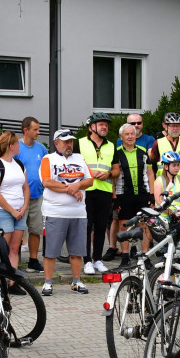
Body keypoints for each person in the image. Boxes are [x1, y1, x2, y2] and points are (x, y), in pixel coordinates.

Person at [39, 129, 93, 295]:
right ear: (56, 143)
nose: (69, 144)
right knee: (51, 251)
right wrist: (71, 189)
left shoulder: (79, 158)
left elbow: (89, 180)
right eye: (66, 141)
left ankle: (76, 281)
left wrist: (77, 186)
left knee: (77, 250)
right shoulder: (48, 159)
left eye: (71, 141)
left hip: (78, 212)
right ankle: (48, 282)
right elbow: (47, 182)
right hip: (54, 212)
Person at [79, 112, 118, 274]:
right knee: (86, 227)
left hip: (104, 191)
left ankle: (98, 260)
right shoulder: (80, 144)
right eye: (101, 124)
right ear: (91, 127)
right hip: (86, 191)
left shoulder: (111, 145)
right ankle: (86, 260)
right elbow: (72, 166)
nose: (104, 127)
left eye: (106, 125)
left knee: (101, 227)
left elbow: (116, 170)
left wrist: (108, 174)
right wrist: (89, 172)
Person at [113, 123, 155, 267]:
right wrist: (114, 197)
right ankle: (125, 257)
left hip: (142, 194)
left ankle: (145, 256)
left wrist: (152, 194)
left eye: (133, 134)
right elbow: (112, 177)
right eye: (127, 134)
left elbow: (150, 174)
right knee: (124, 225)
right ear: (121, 137)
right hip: (123, 194)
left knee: (144, 225)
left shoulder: (143, 153)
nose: (131, 136)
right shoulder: (116, 153)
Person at [0, 131, 30, 271]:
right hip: (3, 212)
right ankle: (1, 280)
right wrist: (12, 211)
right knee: (3, 248)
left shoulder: (19, 164)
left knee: (14, 248)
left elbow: (26, 188)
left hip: (19, 212)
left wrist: (24, 207)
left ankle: (12, 281)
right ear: (11, 146)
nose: (19, 146)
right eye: (18, 143)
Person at [17, 117, 49, 272]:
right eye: (35, 129)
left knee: (35, 230)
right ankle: (14, 262)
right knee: (17, 231)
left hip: (37, 196)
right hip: (20, 197)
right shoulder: (16, 147)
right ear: (26, 130)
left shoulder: (41, 148)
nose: (38, 132)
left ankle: (33, 260)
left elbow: (46, 168)